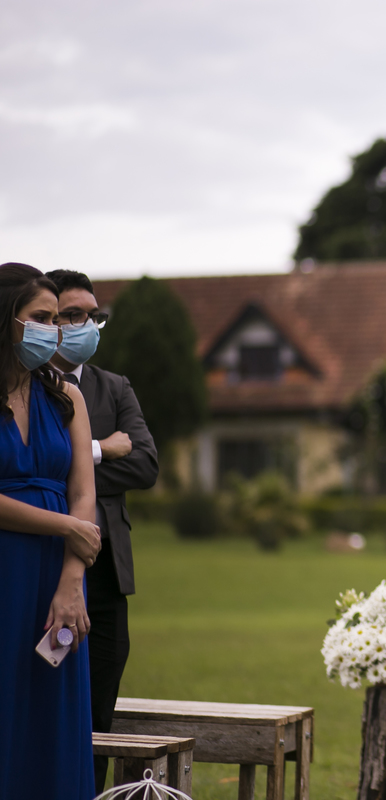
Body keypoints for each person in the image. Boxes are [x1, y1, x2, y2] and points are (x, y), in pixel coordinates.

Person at [47, 268, 159, 792]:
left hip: (107, 571)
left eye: (94, 315)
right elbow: (35, 468)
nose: (86, 324)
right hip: (43, 558)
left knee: (98, 705)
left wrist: (74, 462)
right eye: (72, 314)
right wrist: (98, 448)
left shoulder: (113, 386)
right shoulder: (26, 385)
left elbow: (144, 466)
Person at [0, 262, 102, 799]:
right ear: (6, 321)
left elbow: (84, 493)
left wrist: (71, 582)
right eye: (41, 318)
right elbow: (75, 515)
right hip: (5, 573)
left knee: (51, 719)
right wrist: (67, 525)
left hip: (56, 582)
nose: (53, 333)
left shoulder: (66, 396)